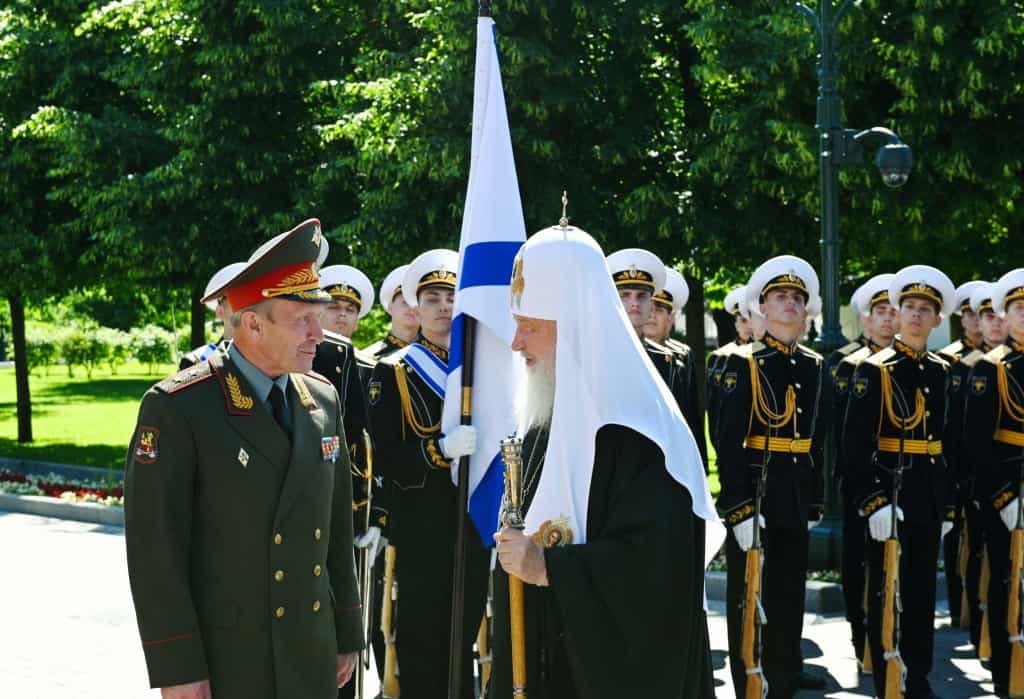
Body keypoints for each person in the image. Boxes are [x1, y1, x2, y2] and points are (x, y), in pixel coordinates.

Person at [124, 219, 363, 699]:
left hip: (310, 651)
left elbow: (335, 529)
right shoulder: (180, 408)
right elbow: (156, 552)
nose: (320, 333)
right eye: (302, 320)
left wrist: (346, 634)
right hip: (230, 659)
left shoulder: (323, 399)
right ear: (253, 324)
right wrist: (177, 667)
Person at [489, 221, 717, 698]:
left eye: (529, 327)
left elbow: (657, 571)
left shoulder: (641, 432)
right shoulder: (543, 413)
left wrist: (551, 569)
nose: (516, 344)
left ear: (574, 329)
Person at [365, 249, 489, 699]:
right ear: (415, 307)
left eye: (451, 296)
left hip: (473, 520)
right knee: (423, 638)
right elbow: (385, 455)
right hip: (423, 524)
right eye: (432, 297)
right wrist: (437, 449)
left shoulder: (482, 367)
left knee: (466, 635)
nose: (443, 306)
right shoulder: (394, 370)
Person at [844, 265, 958, 699]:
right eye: (907, 307)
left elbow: (950, 445)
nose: (913, 315)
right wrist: (874, 502)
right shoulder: (874, 370)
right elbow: (855, 446)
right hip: (890, 494)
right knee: (886, 590)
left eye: (923, 310)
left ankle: (920, 677)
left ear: (935, 320)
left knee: (922, 591)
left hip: (928, 494)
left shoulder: (943, 372)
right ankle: (889, 677)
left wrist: (948, 505)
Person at [716, 255, 826, 698]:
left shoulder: (814, 365)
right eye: (780, 297)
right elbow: (726, 442)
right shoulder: (741, 363)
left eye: (798, 298)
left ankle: (782, 681)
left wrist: (815, 501)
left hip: (795, 494)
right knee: (750, 598)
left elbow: (818, 441)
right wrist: (739, 508)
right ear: (761, 307)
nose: (791, 304)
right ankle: (750, 684)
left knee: (788, 596)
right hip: (758, 494)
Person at [313, 264, 387, 699]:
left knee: (347, 633)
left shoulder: (357, 365)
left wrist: (370, 512)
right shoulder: (319, 357)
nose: (340, 315)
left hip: (346, 518)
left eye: (348, 309)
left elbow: (366, 448)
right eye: (332, 306)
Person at [830, 273, 897, 669]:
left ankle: (893, 641)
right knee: (861, 563)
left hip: (902, 474)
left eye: (894, 311)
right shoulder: (845, 362)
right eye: (880, 312)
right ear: (864, 319)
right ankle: (863, 639)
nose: (889, 320)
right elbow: (842, 430)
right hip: (860, 479)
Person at [964, 268, 1024, 696]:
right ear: (1006, 313)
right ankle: (1007, 671)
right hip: (1010, 490)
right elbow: (977, 445)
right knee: (1007, 579)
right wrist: (1003, 497)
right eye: (1019, 308)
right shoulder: (990, 368)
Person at [949, 281, 1010, 655]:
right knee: (975, 551)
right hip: (976, 475)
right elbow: (956, 426)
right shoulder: (966, 365)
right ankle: (977, 623)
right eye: (981, 315)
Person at [606, 248, 706, 466]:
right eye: (624, 295)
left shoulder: (667, 362)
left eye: (642, 296)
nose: (634, 303)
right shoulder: (596, 356)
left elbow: (684, 428)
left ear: (651, 305)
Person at [707, 286, 752, 458]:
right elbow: (714, 407)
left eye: (752, 319)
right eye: (743, 320)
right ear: (736, 323)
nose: (748, 326)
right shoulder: (719, 357)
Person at [179, 262, 246, 369]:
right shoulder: (197, 361)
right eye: (239, 295)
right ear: (219, 311)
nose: (250, 302)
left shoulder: (277, 360)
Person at [364, 264, 420, 361]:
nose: (411, 308)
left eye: (416, 303)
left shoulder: (435, 357)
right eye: (405, 302)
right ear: (390, 307)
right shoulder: (368, 357)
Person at [938, 280, 987, 364]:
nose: (977, 319)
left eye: (981, 314)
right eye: (971, 314)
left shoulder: (1001, 351)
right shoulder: (947, 356)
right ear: (963, 321)